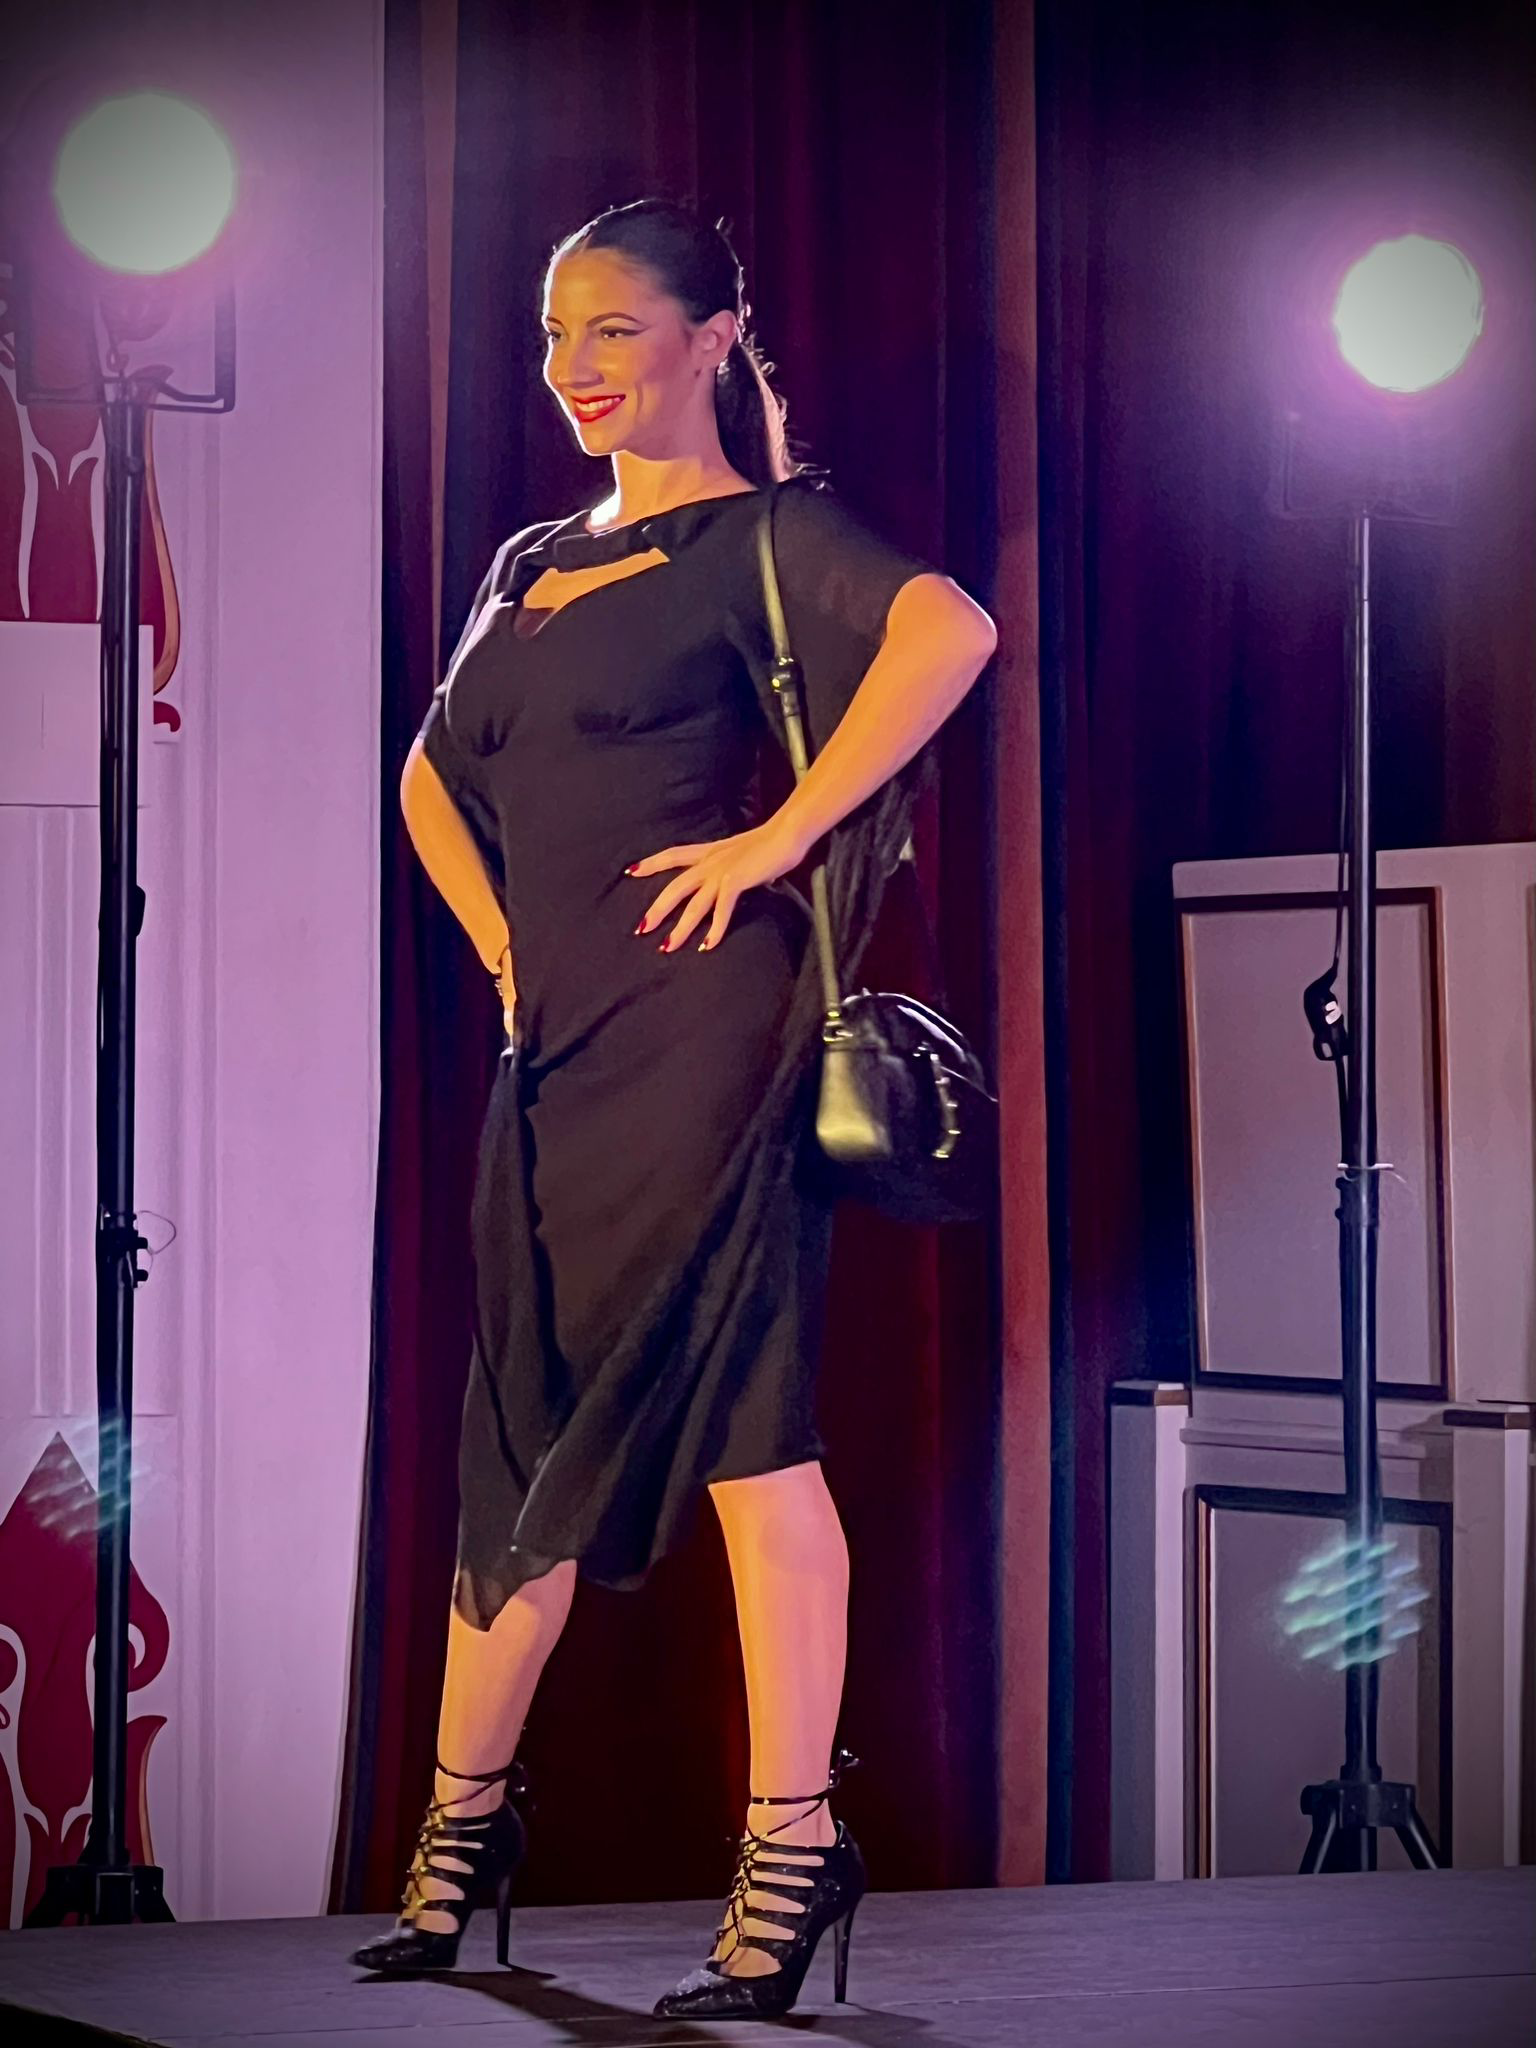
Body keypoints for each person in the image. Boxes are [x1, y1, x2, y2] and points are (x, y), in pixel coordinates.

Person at [351, 197, 997, 2018]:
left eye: (614, 329)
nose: (573, 365)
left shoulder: (769, 535)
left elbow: (949, 634)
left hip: (713, 1039)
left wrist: (779, 838)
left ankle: (790, 1854)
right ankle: (460, 1841)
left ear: (713, 339)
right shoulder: (526, 557)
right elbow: (430, 772)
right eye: (556, 333)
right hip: (557, 1053)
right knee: (517, 1443)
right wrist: (501, 947)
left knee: (748, 1436)